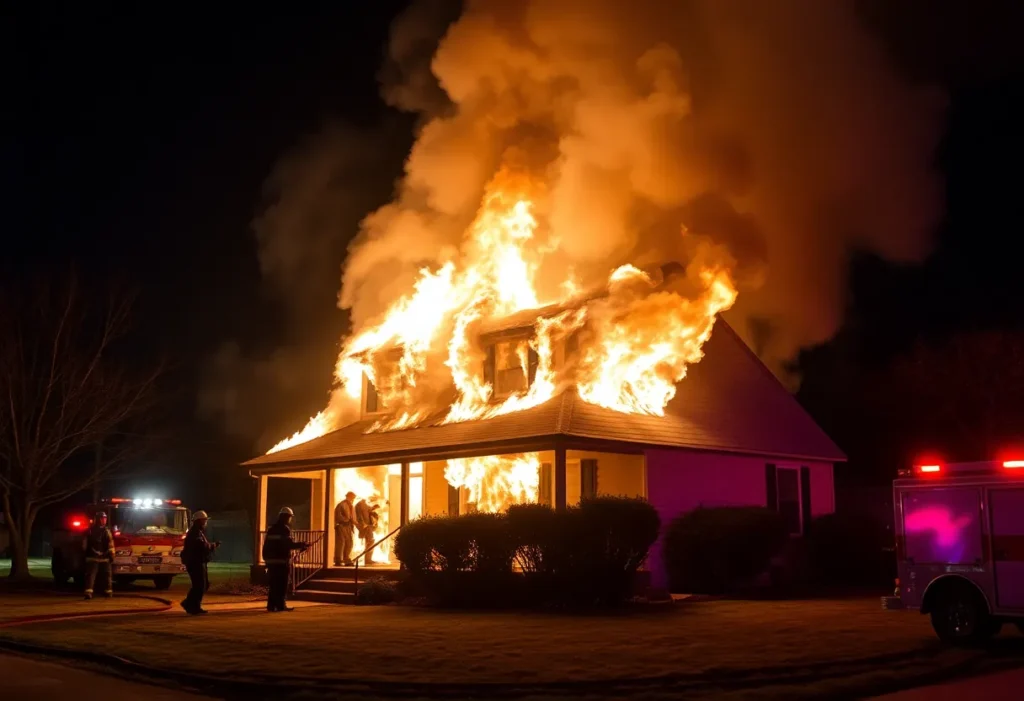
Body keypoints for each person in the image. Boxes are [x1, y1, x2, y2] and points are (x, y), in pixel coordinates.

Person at [262, 506, 309, 612]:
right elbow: (287, 544)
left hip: (271, 562)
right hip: (281, 562)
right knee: (282, 584)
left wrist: (266, 559)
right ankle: (281, 605)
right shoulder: (284, 529)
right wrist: (302, 544)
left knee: (273, 584)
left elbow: (267, 545)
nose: (290, 519)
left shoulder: (271, 529)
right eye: (290, 517)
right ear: (287, 517)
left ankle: (271, 606)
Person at [180, 510, 220, 615]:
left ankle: (190, 604)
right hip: (195, 563)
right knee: (199, 585)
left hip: (198, 561)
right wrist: (213, 546)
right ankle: (192, 606)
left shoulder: (197, 532)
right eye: (204, 520)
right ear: (199, 521)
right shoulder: (195, 532)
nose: (205, 522)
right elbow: (201, 546)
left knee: (202, 585)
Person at [83, 511, 114, 600]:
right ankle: (105, 592)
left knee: (98, 576)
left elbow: (84, 545)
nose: (104, 520)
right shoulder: (105, 531)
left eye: (105, 518)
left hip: (97, 557)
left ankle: (106, 592)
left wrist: (111, 555)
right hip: (98, 558)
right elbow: (110, 545)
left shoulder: (90, 530)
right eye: (103, 518)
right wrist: (111, 555)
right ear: (98, 519)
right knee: (99, 575)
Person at [355, 496, 381, 565]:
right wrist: (362, 524)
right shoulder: (359, 505)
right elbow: (359, 516)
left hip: (368, 526)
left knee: (370, 541)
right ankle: (367, 560)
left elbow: (369, 510)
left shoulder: (364, 504)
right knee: (370, 541)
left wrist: (374, 508)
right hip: (366, 527)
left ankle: (368, 559)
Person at [334, 491, 356, 566]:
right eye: (352, 497)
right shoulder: (341, 505)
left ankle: (346, 558)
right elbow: (338, 516)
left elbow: (352, 517)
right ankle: (338, 559)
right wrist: (345, 521)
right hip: (341, 526)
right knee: (341, 542)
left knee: (349, 542)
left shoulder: (350, 505)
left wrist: (354, 523)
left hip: (348, 526)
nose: (353, 499)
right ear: (348, 497)